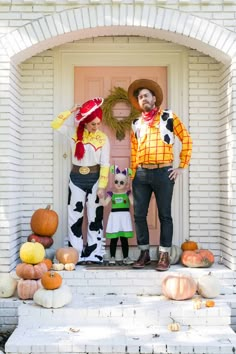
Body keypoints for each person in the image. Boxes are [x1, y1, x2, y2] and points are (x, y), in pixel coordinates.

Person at [127, 79, 192, 271]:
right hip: (141, 174)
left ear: (154, 98)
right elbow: (133, 150)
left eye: (146, 95)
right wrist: (133, 175)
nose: (143, 99)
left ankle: (164, 255)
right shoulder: (136, 123)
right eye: (140, 97)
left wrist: (181, 166)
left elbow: (186, 139)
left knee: (165, 215)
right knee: (139, 215)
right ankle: (144, 253)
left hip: (164, 172)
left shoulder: (169, 117)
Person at [51, 98, 110, 264]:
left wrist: (102, 186)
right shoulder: (73, 133)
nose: (96, 127)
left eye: (98, 124)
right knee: (74, 216)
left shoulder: (103, 138)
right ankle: (75, 253)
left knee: (94, 217)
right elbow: (55, 124)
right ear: (85, 122)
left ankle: (94, 254)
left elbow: (105, 164)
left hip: (95, 179)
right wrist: (70, 111)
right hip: (76, 178)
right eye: (93, 124)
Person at [100, 165, 134, 266]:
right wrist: (101, 197)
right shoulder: (111, 194)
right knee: (113, 238)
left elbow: (133, 203)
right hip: (114, 217)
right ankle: (112, 257)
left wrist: (132, 191)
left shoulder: (128, 193)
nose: (118, 184)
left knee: (124, 239)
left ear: (126, 183)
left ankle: (126, 257)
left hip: (124, 217)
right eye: (116, 182)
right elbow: (105, 203)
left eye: (121, 182)